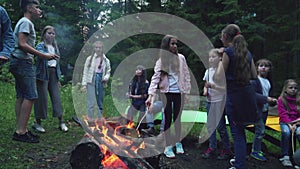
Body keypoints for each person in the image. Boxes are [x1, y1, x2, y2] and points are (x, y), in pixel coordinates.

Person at [9, 0, 59, 143]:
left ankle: (20, 128)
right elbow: (22, 43)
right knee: (30, 95)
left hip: (16, 61)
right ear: (29, 8)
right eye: (37, 7)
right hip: (23, 62)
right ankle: (21, 131)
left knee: (21, 95)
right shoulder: (26, 22)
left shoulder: (23, 22)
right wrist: (43, 55)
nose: (39, 10)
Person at [214, 24, 258, 169]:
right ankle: (239, 159)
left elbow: (219, 76)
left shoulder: (228, 52)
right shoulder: (247, 53)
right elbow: (254, 75)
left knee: (237, 133)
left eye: (221, 36)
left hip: (233, 98)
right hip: (247, 97)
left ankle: (239, 165)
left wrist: (221, 58)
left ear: (225, 37)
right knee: (240, 131)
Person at [146, 35, 191, 158]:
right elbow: (155, 78)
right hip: (166, 93)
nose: (175, 46)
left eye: (176, 44)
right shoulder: (161, 61)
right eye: (172, 44)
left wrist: (186, 92)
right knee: (167, 118)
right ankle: (167, 146)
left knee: (177, 119)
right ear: (166, 45)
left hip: (179, 93)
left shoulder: (181, 58)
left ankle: (178, 142)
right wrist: (151, 95)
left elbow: (186, 75)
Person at [32, 25, 68, 133]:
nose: (51, 35)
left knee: (56, 97)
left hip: (53, 74)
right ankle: (37, 123)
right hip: (42, 73)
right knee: (41, 98)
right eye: (49, 33)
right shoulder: (40, 46)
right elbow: (40, 55)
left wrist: (58, 78)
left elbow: (57, 65)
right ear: (44, 34)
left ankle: (61, 122)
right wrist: (48, 55)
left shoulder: (55, 47)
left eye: (53, 33)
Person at [201, 49, 231, 160]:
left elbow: (225, 89)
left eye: (213, 57)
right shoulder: (208, 71)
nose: (211, 59)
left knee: (220, 126)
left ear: (219, 58)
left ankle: (226, 148)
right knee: (210, 125)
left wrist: (213, 87)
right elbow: (205, 84)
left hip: (220, 101)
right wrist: (205, 90)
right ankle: (212, 147)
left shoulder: (222, 72)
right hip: (210, 101)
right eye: (209, 57)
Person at [250, 59, 275, 161]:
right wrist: (266, 99)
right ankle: (255, 151)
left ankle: (257, 148)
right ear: (257, 68)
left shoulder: (268, 82)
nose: (263, 68)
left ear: (269, 69)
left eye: (266, 66)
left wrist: (271, 101)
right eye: (261, 65)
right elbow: (252, 95)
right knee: (260, 131)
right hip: (256, 110)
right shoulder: (255, 81)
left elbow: (267, 94)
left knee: (260, 131)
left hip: (265, 110)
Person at [81, 41, 111, 120]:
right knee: (91, 102)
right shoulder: (89, 59)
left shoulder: (106, 60)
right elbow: (85, 72)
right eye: (96, 47)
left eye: (100, 48)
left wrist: (106, 78)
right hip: (91, 81)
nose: (98, 49)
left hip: (101, 81)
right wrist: (84, 85)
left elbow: (108, 71)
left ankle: (99, 119)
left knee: (99, 101)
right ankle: (90, 119)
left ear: (102, 49)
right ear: (94, 48)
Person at [277, 79, 300, 167]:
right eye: (291, 88)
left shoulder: (299, 98)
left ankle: (297, 157)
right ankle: (285, 156)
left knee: (298, 133)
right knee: (286, 133)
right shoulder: (281, 99)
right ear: (285, 89)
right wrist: (289, 124)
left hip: (297, 122)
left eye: (295, 88)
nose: (293, 89)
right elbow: (283, 114)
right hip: (285, 122)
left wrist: (296, 124)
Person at [126, 65, 153, 133]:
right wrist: (128, 94)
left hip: (142, 102)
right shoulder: (133, 81)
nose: (137, 71)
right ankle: (128, 127)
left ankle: (139, 131)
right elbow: (130, 90)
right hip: (134, 101)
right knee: (130, 113)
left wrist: (132, 96)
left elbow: (144, 96)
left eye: (139, 69)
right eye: (136, 69)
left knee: (141, 115)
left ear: (143, 72)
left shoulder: (146, 82)